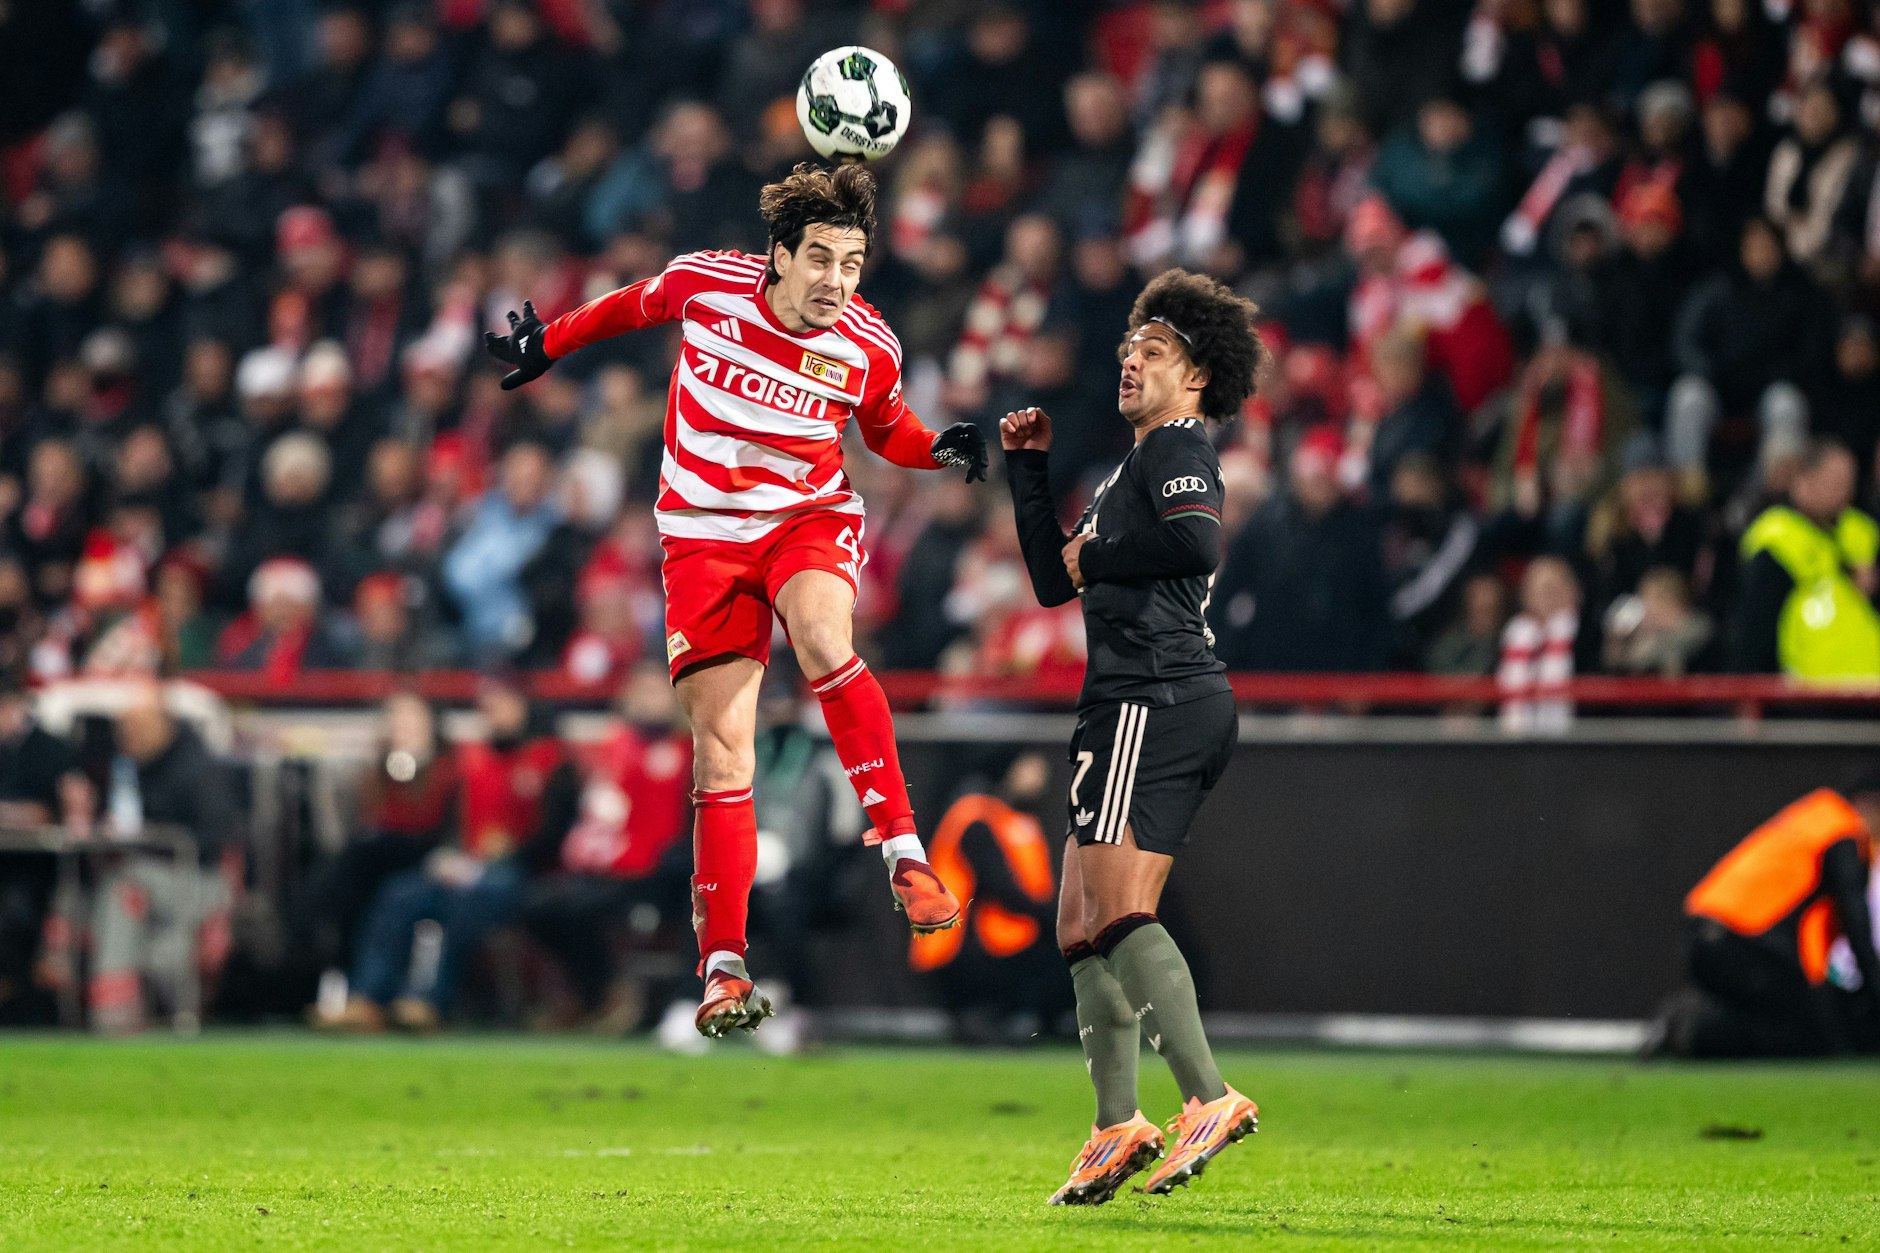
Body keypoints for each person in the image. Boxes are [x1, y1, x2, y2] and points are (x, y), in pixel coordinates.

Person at [485, 162, 986, 1038]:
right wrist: (547, 343)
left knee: (827, 642)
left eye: (854, 263)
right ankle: (724, 964)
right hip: (703, 538)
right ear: (780, 255)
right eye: (822, 259)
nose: (837, 281)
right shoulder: (707, 285)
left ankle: (906, 853)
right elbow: (627, 305)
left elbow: (887, 430)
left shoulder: (869, 344)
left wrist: (937, 447)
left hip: (807, 515)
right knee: (723, 755)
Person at [1001, 268, 1261, 1205]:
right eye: (1126, 349)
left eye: (1152, 350)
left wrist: (1099, 550)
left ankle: (1208, 1095)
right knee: (1081, 924)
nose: (1131, 361)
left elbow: (1197, 543)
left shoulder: (1177, 445)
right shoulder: (1128, 468)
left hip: (1154, 696)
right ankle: (1117, 1123)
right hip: (1133, 697)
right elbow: (1050, 579)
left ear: (1196, 377)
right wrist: (1029, 471)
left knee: (1113, 914)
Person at [1650, 777, 1880, 1057]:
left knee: (1800, 1018)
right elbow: (1856, 919)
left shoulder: (1816, 816)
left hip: (1710, 935)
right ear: (1868, 802)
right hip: (1742, 943)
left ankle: (1694, 1026)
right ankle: (1698, 1031)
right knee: (1817, 1034)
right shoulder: (1842, 831)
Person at [1731, 440, 1880, 679]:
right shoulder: (1778, 538)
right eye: (1833, 481)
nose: (1843, 491)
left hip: (1869, 691)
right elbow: (1754, 632)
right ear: (1803, 481)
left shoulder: (1862, 531)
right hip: (1807, 699)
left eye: (1848, 482)